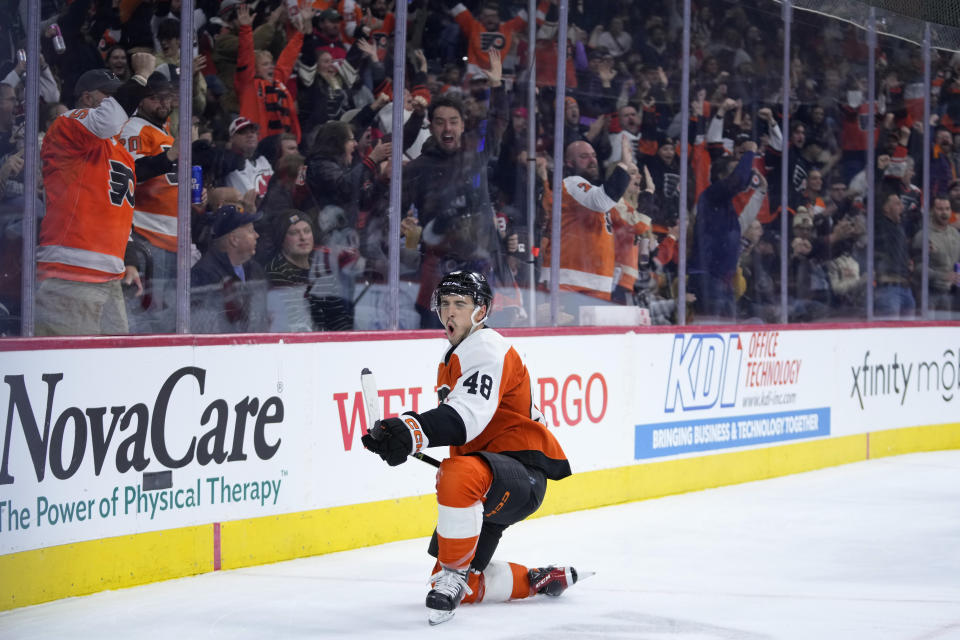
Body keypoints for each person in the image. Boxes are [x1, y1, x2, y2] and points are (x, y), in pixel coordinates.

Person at [361, 270, 583, 625]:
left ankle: (454, 571)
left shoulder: (485, 346)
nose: (450, 313)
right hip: (487, 480)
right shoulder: (456, 353)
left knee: (457, 476)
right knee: (466, 584)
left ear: (481, 310)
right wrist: (400, 436)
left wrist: (410, 430)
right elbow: (460, 425)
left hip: (519, 475)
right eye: (445, 304)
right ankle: (538, 580)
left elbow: (463, 419)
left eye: (460, 304)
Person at [36, 56, 175, 336]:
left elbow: (120, 207)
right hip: (71, 267)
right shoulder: (68, 122)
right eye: (110, 95)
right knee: (75, 365)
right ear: (87, 98)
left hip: (109, 272)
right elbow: (107, 120)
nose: (120, 102)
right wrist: (142, 74)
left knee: (111, 365)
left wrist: (130, 259)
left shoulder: (118, 149)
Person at [539, 137, 633, 312]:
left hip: (594, 282)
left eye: (593, 156)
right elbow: (602, 201)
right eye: (584, 156)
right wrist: (624, 165)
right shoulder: (571, 184)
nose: (592, 161)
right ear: (569, 162)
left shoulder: (591, 189)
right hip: (570, 283)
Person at [120, 74, 179, 333]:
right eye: (155, 97)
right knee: (146, 311)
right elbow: (132, 171)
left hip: (171, 235)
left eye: (167, 96)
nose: (163, 102)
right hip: (148, 233)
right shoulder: (134, 128)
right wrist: (172, 155)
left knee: (166, 312)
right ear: (141, 101)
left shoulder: (163, 131)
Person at [190, 204, 269, 333]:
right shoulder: (203, 275)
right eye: (250, 231)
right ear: (234, 240)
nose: (256, 235)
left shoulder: (254, 269)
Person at [912, 195, 960, 315]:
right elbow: (917, 268)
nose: (944, 213)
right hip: (929, 293)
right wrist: (943, 276)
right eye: (940, 209)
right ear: (932, 210)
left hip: (950, 292)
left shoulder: (955, 234)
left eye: (947, 209)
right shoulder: (923, 236)